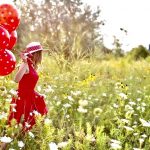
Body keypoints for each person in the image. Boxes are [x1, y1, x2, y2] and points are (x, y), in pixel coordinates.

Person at [8, 42, 48, 132]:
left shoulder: (33, 66)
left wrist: (38, 94)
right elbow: (16, 79)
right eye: (40, 53)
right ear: (35, 54)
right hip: (22, 98)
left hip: (30, 97)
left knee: (27, 125)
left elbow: (29, 84)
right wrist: (25, 62)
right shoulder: (25, 64)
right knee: (17, 124)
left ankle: (21, 143)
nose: (41, 56)